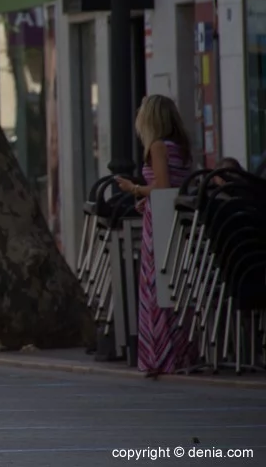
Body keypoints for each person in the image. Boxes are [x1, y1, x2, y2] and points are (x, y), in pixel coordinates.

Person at [114, 94, 196, 377]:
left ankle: (160, 354)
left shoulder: (158, 147)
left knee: (154, 284)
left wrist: (133, 188)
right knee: (174, 284)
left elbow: (161, 185)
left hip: (158, 221)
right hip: (176, 220)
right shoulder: (181, 148)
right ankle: (180, 350)